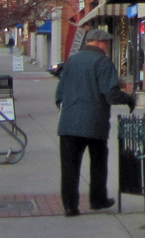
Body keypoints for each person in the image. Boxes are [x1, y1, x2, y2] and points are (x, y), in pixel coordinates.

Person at [55, 33, 133, 215]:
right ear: (99, 43)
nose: (107, 46)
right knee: (98, 161)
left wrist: (67, 109)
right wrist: (128, 99)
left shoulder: (72, 61)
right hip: (94, 121)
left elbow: (59, 94)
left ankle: (70, 206)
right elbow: (111, 93)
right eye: (106, 43)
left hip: (68, 123)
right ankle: (98, 199)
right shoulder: (102, 62)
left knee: (69, 167)